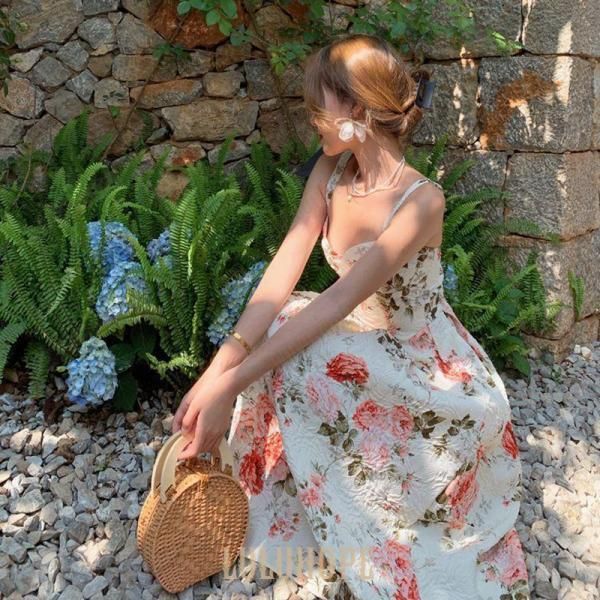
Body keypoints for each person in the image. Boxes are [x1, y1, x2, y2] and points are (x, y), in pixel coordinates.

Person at [173, 33, 531, 600]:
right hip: (360, 340)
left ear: (358, 111)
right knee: (283, 322)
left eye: (320, 108)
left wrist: (230, 387)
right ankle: (286, 507)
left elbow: (337, 301)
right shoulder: (332, 171)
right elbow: (284, 268)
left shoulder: (422, 201)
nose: (311, 120)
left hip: (419, 362)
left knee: (304, 348)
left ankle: (367, 527)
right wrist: (216, 372)